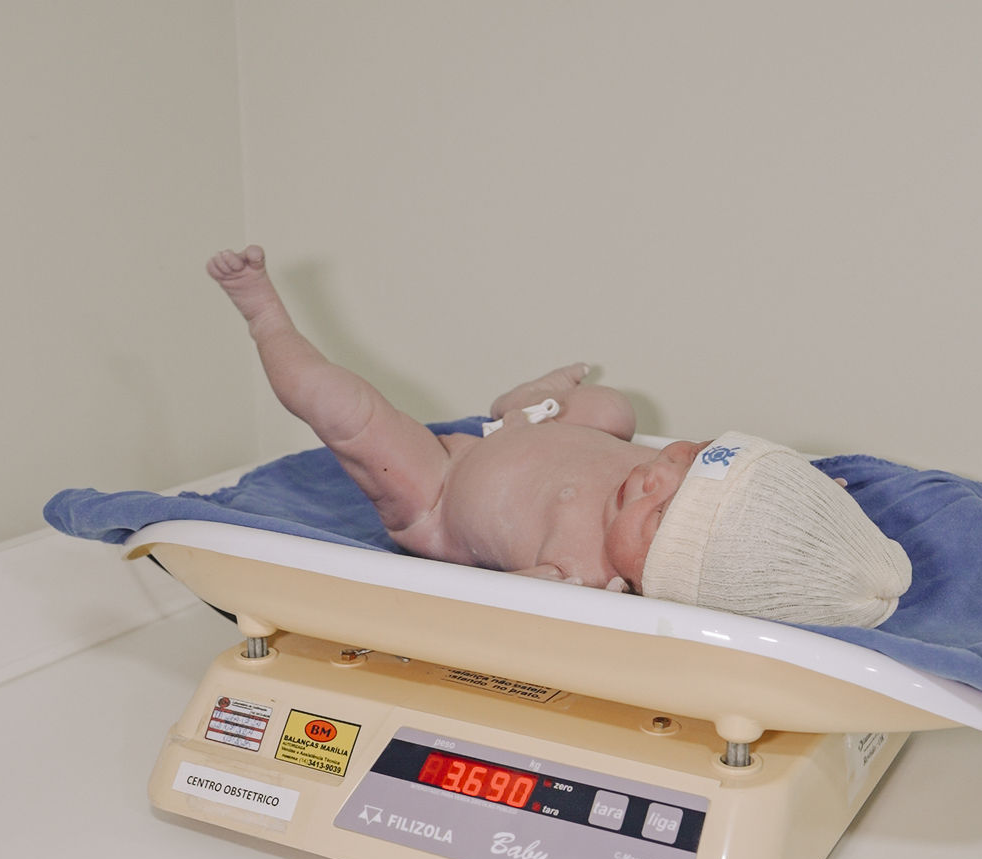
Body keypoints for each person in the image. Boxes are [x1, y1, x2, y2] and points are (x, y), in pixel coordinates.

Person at [207, 246, 911, 626]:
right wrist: (803, 494)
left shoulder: (585, 578)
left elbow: (499, 613)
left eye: (660, 513)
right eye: (692, 461)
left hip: (441, 488)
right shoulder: (669, 488)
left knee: (347, 412)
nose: (656, 475)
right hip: (526, 432)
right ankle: (522, 405)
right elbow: (742, 492)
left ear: (658, 586)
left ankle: (266, 318)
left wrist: (547, 600)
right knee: (609, 408)